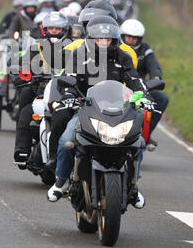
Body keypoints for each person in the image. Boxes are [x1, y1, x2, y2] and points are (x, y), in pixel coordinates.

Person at [47, 15, 147, 208]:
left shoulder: (123, 57)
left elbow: (135, 80)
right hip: (85, 108)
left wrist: (142, 95)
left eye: (107, 39)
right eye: (99, 39)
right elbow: (69, 77)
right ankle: (60, 181)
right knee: (67, 140)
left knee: (139, 143)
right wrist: (68, 95)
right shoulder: (79, 55)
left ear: (114, 40)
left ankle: (133, 186)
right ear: (91, 39)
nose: (103, 43)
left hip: (119, 112)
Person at [13, 12, 69, 168]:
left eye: (57, 29)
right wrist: (21, 75)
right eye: (50, 28)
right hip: (40, 90)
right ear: (45, 29)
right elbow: (21, 66)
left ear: (64, 29)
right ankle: (22, 150)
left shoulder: (71, 46)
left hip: (64, 91)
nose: (54, 31)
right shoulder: (34, 47)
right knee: (25, 112)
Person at [120, 19, 169, 151]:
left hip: (140, 88)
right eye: (128, 36)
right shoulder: (116, 48)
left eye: (135, 38)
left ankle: (145, 135)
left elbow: (154, 66)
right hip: (118, 87)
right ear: (122, 35)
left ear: (140, 39)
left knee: (161, 99)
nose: (131, 40)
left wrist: (156, 78)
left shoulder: (145, 49)